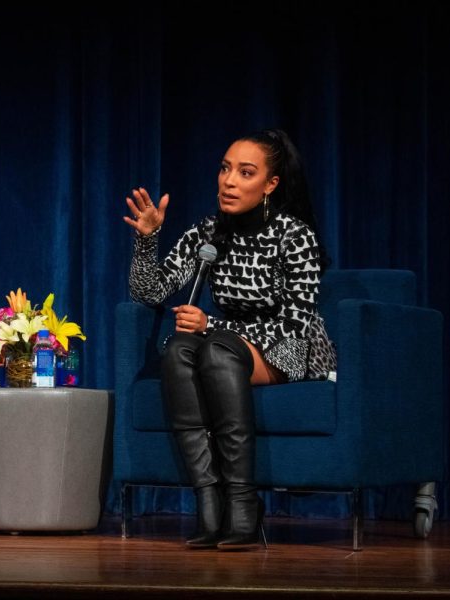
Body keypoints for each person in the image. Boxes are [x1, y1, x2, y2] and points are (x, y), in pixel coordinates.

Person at [123, 129, 337, 550]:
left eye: (245, 172)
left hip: (292, 348)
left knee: (215, 349)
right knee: (180, 352)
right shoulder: (208, 231)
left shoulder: (295, 236)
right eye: (225, 169)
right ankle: (209, 501)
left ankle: (242, 500)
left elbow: (296, 321)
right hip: (228, 345)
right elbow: (150, 292)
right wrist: (146, 240)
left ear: (270, 184)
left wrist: (214, 327)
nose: (229, 181)